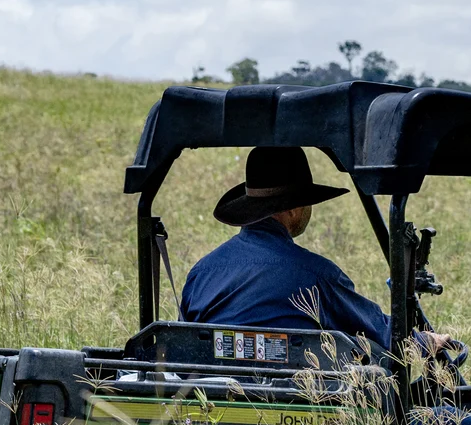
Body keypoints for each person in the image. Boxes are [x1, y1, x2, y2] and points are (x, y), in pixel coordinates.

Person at [180, 146, 450, 357]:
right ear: (293, 209)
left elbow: (183, 344)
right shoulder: (317, 276)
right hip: (306, 415)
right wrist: (425, 341)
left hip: (211, 412)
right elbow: (383, 335)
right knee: (455, 422)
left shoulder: (201, 272)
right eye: (307, 202)